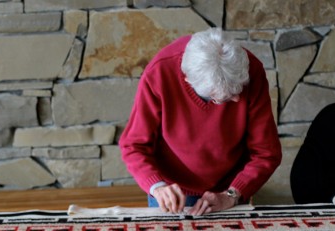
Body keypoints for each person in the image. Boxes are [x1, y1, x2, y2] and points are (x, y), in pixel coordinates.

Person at [119, 28, 282, 215]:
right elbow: (134, 145)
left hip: (230, 190)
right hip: (173, 191)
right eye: (224, 98)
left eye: (240, 91)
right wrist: (157, 186)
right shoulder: (160, 73)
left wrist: (232, 193)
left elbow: (267, 152)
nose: (237, 100)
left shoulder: (249, 69)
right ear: (188, 81)